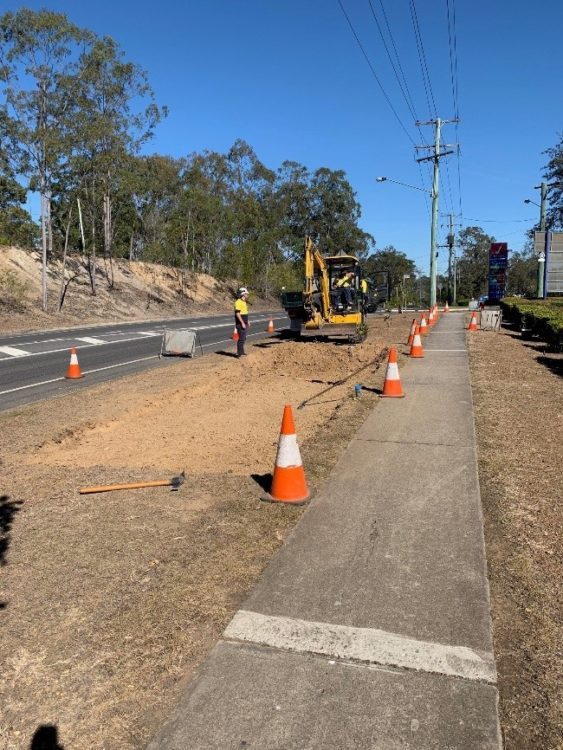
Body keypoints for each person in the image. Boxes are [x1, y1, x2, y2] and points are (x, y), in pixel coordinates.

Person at [234, 287, 250, 357]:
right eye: (246, 294)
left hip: (245, 323)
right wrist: (242, 323)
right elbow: (237, 313)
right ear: (243, 294)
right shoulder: (238, 302)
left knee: (244, 338)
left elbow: (245, 313)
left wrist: (247, 321)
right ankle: (239, 353)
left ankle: (242, 352)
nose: (247, 295)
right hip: (240, 324)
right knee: (241, 339)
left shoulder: (244, 302)